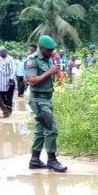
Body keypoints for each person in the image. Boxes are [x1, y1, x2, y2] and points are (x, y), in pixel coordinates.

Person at [26, 35, 67, 172]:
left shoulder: (48, 58)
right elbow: (32, 81)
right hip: (38, 100)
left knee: (40, 130)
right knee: (51, 128)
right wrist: (49, 72)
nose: (51, 53)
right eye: (49, 50)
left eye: (52, 50)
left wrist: (56, 74)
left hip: (47, 99)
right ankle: (52, 160)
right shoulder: (32, 60)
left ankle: (35, 160)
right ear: (41, 48)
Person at [0, 47, 16, 112]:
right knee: (1, 97)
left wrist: (11, 80)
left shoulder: (10, 59)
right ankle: (5, 109)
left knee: (9, 97)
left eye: (1, 52)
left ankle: (9, 110)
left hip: (8, 81)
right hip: (1, 82)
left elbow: (13, 70)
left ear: (5, 52)